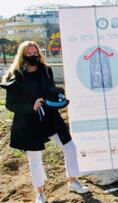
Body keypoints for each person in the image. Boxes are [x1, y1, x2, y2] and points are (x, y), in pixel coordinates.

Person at [0, 41, 89, 203]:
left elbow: (50, 90)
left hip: (50, 118)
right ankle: (39, 192)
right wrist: (31, 106)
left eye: (35, 53)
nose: (33, 56)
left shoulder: (46, 70)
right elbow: (10, 104)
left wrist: (58, 95)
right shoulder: (15, 76)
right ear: (22, 55)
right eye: (29, 53)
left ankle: (73, 181)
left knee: (70, 147)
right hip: (28, 122)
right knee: (34, 157)